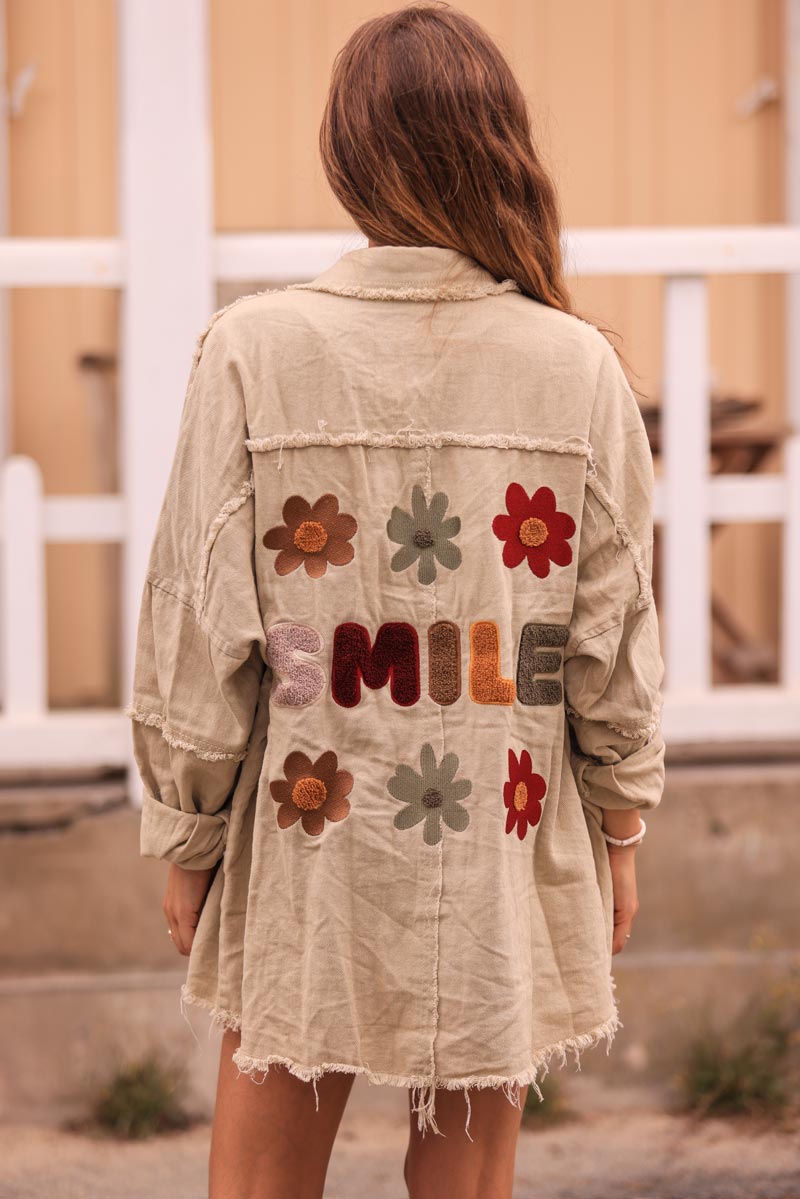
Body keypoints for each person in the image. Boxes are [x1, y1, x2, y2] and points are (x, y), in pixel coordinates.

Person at [126, 4, 666, 1197]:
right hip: (500, 830)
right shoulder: (573, 364)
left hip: (309, 821)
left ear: (345, 153)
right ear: (500, 146)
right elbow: (610, 633)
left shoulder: (253, 350)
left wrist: (190, 830)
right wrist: (618, 821)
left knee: (260, 1180)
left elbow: (196, 615)